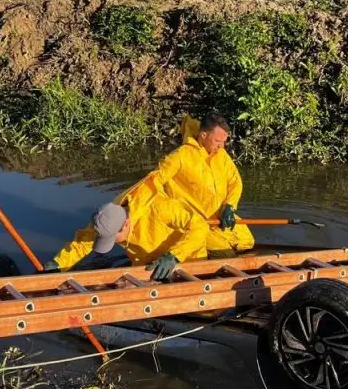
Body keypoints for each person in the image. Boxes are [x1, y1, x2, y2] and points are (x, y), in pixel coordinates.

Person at [42, 174, 209, 280]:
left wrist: (174, 256)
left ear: (126, 224)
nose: (114, 243)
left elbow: (200, 226)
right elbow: (84, 242)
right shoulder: (107, 217)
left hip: (187, 258)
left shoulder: (159, 208)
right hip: (147, 262)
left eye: (113, 239)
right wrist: (58, 264)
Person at [147, 113, 254, 257]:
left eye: (224, 142)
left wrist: (229, 206)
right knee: (225, 254)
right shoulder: (180, 156)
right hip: (198, 223)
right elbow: (153, 182)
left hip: (219, 217)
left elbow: (235, 182)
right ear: (203, 135)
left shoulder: (221, 155)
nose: (222, 146)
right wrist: (169, 211)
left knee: (247, 242)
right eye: (218, 141)